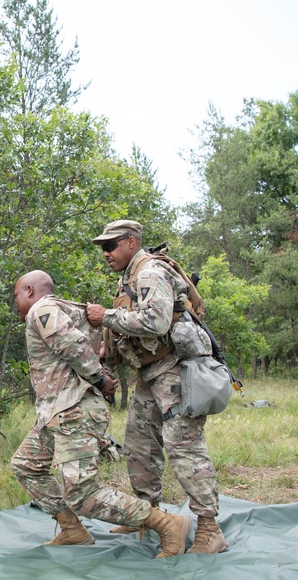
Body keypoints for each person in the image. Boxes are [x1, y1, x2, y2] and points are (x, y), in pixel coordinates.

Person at [11, 270, 193, 558]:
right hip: (56, 412)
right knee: (26, 465)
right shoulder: (64, 309)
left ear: (31, 291)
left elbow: (73, 345)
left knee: (82, 494)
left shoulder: (42, 309)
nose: (17, 303)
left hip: (74, 411)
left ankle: (167, 524)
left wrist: (99, 379)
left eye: (17, 295)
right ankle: (73, 531)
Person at [85, 220, 228, 555]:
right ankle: (148, 516)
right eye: (103, 248)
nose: (105, 254)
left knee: (185, 450)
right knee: (138, 446)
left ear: (132, 242)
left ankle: (210, 528)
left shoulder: (149, 272)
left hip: (174, 373)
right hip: (149, 375)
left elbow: (156, 322)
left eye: (111, 246)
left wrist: (105, 316)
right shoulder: (129, 277)